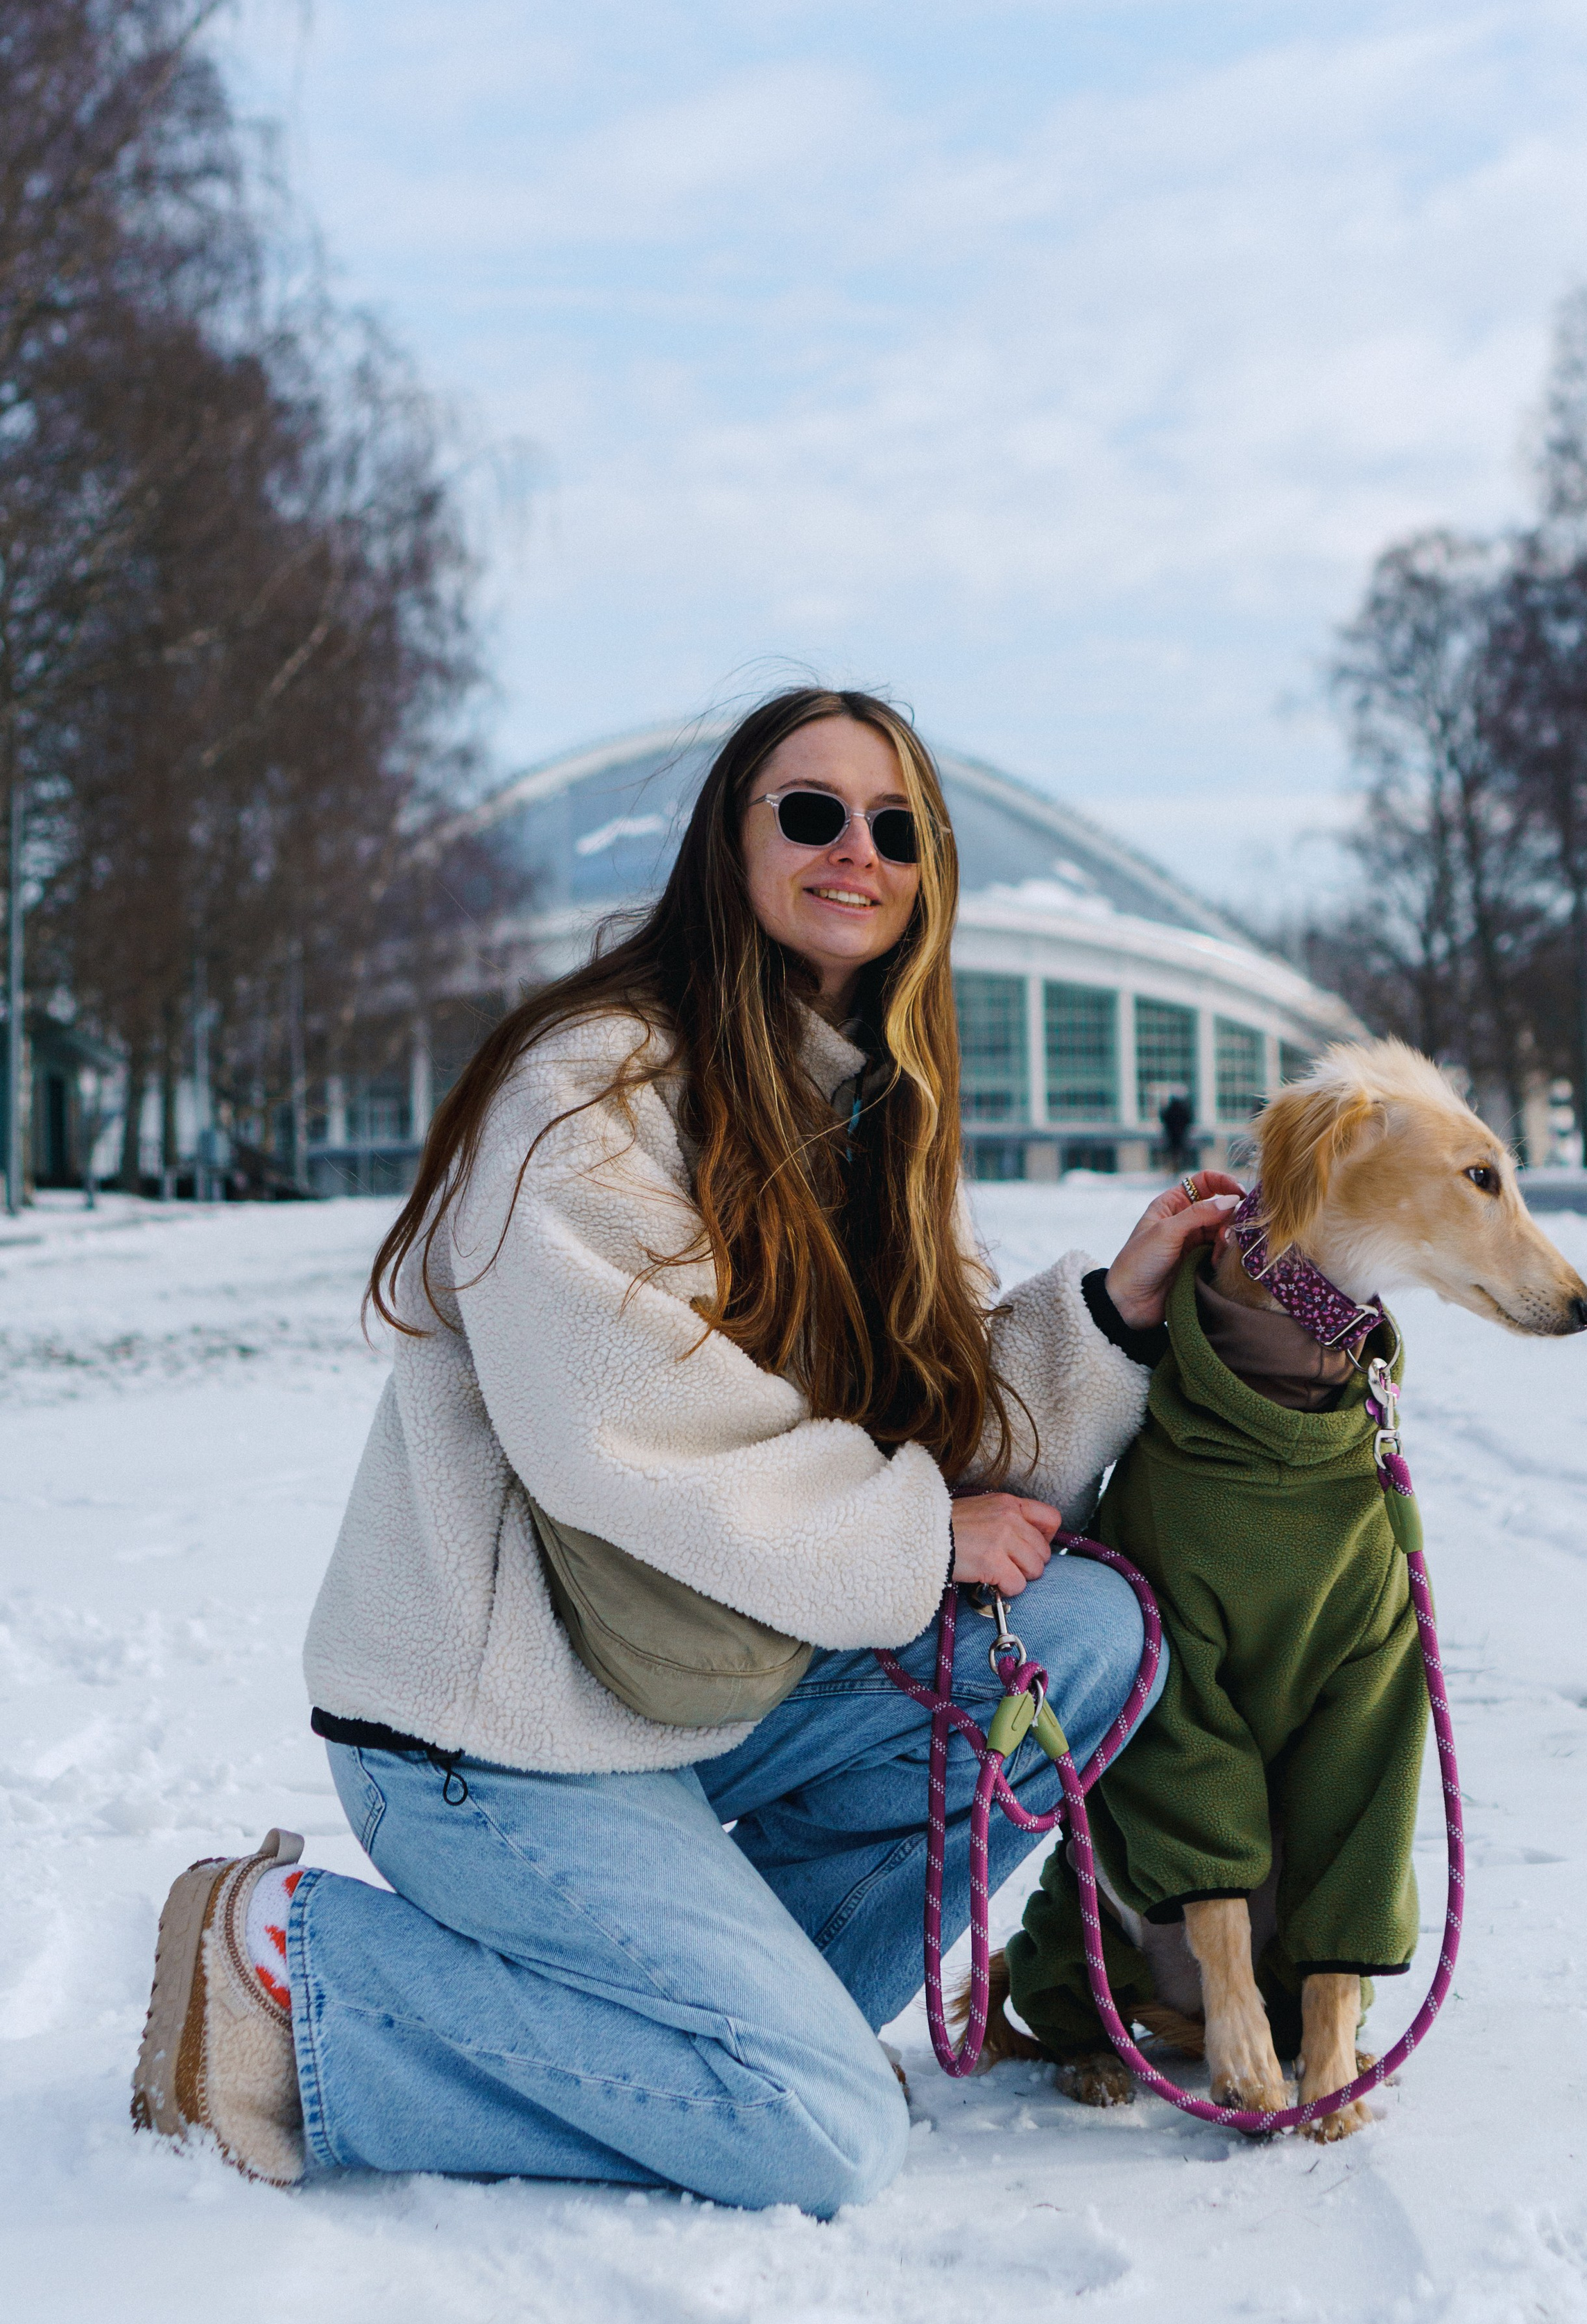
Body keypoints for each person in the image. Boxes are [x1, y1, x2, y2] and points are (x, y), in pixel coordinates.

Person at [132, 689, 1238, 2212]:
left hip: (713, 1680)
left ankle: (722, 2018)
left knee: (1081, 1631)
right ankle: (295, 1969)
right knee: (818, 2129)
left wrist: (1112, 1312)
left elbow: (937, 1418)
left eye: (896, 826)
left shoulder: (871, 1112)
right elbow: (625, 1433)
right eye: (810, 812)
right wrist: (919, 1536)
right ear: (729, 841)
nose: (858, 850)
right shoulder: (592, 1089)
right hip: (498, 1733)